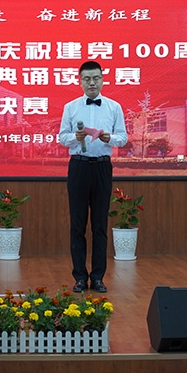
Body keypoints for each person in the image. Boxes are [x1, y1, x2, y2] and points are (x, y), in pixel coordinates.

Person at [58, 61, 128, 293]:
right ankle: (80, 276)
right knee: (77, 225)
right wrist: (75, 137)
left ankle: (98, 277)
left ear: (102, 80)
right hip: (78, 166)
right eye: (87, 79)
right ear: (80, 81)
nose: (91, 83)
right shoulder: (70, 107)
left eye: (96, 78)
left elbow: (123, 138)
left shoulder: (114, 107)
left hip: (102, 167)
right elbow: (62, 137)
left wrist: (110, 139)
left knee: (100, 225)